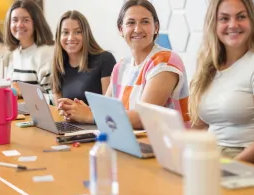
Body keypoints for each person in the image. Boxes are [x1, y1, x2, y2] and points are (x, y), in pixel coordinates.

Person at [58, 0, 190, 129]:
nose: (137, 29)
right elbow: (105, 109)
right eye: (131, 23)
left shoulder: (166, 60)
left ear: (156, 27)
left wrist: (89, 115)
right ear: (121, 29)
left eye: (145, 22)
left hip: (168, 147)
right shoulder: (121, 67)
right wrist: (79, 110)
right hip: (131, 142)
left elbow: (142, 118)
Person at [188, 0, 254, 164]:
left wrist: (229, 169)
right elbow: (199, 128)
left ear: (252, 21)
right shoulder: (209, 66)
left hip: (248, 162)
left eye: (241, 17)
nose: (233, 25)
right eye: (224, 19)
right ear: (214, 24)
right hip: (211, 157)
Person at [52, 10, 116, 106]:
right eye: (65, 32)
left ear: (86, 34)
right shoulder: (59, 64)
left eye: (78, 32)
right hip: (67, 121)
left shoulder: (105, 59)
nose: (71, 38)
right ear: (58, 37)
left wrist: (84, 114)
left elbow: (108, 108)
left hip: (94, 121)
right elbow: (59, 108)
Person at [4, 0, 55, 96]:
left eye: (26, 20)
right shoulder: (14, 53)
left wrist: (23, 92)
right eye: (15, 20)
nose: (19, 25)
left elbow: (53, 99)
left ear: (36, 23)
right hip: (17, 109)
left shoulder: (46, 53)